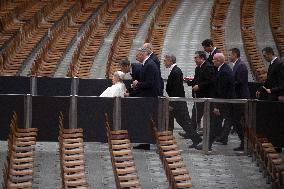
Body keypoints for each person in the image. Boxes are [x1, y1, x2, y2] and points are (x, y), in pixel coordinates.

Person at [163, 54, 202, 148]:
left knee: (184, 122)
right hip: (177, 102)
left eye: (165, 60)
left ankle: (196, 139)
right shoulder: (174, 70)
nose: (164, 62)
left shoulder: (176, 71)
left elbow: (176, 90)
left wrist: (172, 103)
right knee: (174, 121)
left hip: (178, 103)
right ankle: (169, 139)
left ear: (170, 61)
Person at [217, 48, 250, 151]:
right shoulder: (236, 65)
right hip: (235, 98)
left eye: (230, 55)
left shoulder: (241, 66)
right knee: (231, 118)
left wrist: (228, 86)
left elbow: (239, 82)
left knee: (236, 121)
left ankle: (244, 143)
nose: (229, 56)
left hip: (240, 98)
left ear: (235, 54)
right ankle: (224, 137)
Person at [202, 53, 235, 151]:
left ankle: (208, 145)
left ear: (219, 60)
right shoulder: (221, 69)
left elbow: (222, 91)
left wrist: (217, 106)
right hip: (223, 102)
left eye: (214, 60)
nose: (212, 61)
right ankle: (209, 144)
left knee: (216, 123)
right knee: (216, 124)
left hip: (224, 103)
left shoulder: (224, 71)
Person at [132, 47, 161, 150]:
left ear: (142, 54)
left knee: (147, 120)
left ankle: (147, 142)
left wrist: (138, 83)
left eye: (137, 55)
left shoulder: (149, 65)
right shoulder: (146, 64)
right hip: (146, 96)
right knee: (145, 121)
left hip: (149, 97)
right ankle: (145, 142)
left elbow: (150, 83)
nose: (136, 57)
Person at [185, 51, 215, 135]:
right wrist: (189, 81)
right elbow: (196, 80)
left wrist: (199, 86)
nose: (194, 59)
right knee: (195, 114)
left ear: (202, 58)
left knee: (198, 114)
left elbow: (210, 81)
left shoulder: (208, 67)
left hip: (205, 95)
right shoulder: (198, 68)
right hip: (198, 96)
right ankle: (191, 132)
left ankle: (193, 132)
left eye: (196, 58)